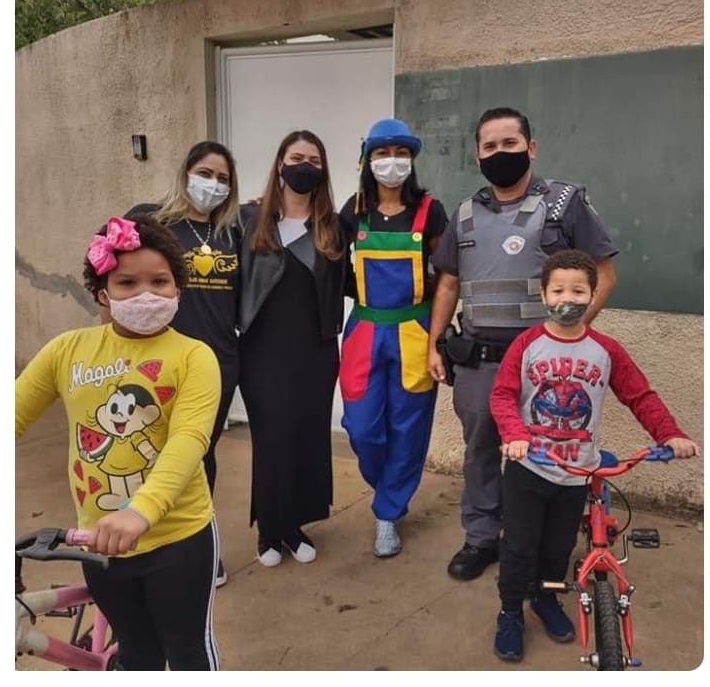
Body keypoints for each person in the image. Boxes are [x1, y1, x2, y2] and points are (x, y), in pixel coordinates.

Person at [15, 215, 221, 669]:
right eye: (128, 282)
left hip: (179, 539)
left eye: (159, 281)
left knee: (187, 652)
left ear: (178, 291)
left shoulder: (194, 356)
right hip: (98, 542)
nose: (146, 293)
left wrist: (141, 511)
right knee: (137, 652)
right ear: (103, 294)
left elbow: (189, 440)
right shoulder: (66, 351)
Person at [427, 107, 619, 582]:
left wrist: (570, 337)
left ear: (531, 148)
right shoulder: (465, 213)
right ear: (477, 155)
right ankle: (480, 537)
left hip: (545, 367)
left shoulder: (564, 203)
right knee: (481, 452)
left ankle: (534, 544)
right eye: (490, 147)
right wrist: (435, 344)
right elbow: (448, 283)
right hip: (480, 363)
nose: (500, 154)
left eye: (509, 144)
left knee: (546, 456)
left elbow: (606, 275)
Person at [489, 250, 697, 661]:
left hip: (577, 471)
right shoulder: (527, 345)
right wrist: (514, 435)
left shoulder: (606, 350)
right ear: (544, 295)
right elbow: (503, 395)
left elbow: (640, 395)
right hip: (530, 467)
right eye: (559, 289)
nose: (568, 297)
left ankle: (546, 599)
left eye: (578, 290)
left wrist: (670, 434)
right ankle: (510, 612)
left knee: (559, 547)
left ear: (592, 294)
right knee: (518, 547)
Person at [129, 143, 243, 588]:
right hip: (157, 362)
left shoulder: (235, 231)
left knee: (197, 456)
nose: (212, 184)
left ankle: (202, 551)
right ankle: (149, 537)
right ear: (185, 173)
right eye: (204, 172)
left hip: (216, 365)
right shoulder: (150, 221)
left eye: (222, 178)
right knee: (152, 453)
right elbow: (105, 269)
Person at [339, 119, 448, 558]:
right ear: (368, 160)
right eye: (383, 154)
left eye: (400, 154)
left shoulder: (430, 210)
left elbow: (446, 277)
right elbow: (329, 260)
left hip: (414, 331)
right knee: (362, 428)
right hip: (365, 329)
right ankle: (388, 486)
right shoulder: (355, 209)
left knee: (408, 428)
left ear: (412, 160)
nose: (391, 162)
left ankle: (388, 513)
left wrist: (437, 335)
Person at [238, 130, 346, 567]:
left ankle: (295, 525)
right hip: (262, 351)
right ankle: (269, 529)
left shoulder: (332, 226)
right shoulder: (248, 220)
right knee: (271, 440)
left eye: (314, 160)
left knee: (306, 438)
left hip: (315, 351)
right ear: (279, 164)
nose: (305, 165)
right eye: (297, 157)